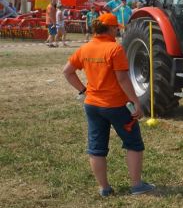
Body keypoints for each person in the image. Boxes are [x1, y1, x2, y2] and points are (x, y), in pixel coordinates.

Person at [62, 12, 155, 196]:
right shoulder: (115, 49)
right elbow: (122, 79)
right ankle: (137, 185)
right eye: (116, 29)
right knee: (134, 143)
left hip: (92, 106)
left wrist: (83, 90)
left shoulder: (85, 48)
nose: (118, 32)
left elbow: (67, 71)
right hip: (116, 105)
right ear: (111, 29)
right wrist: (136, 102)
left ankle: (104, 188)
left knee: (96, 148)